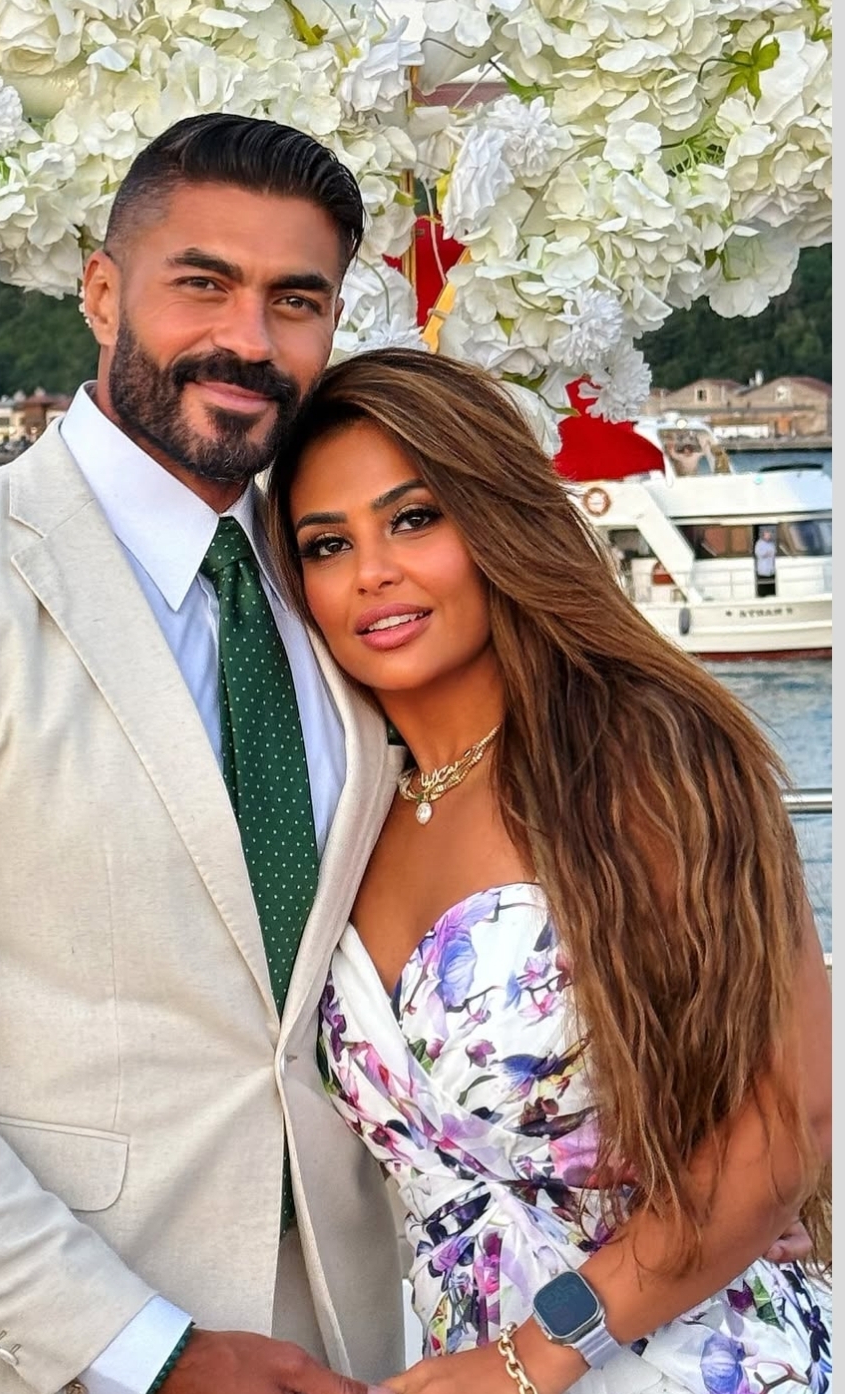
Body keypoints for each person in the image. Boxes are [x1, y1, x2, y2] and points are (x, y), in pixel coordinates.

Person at [0, 115, 406, 1394]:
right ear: (102, 292)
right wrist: (147, 1348)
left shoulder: (340, 586)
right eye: (203, 283)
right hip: (50, 1353)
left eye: (296, 300)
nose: (250, 339)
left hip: (349, 1335)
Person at [266, 348, 833, 1394]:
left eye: (414, 519)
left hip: (695, 1359)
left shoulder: (642, 752)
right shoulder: (347, 808)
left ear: (496, 521)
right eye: (327, 543)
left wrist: (530, 1357)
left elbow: (783, 1121)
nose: (372, 571)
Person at [754, 527, 778, 597]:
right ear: (764, 535)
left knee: (772, 585)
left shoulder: (771, 544)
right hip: (763, 569)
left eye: (769, 535)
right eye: (767, 535)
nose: (769, 536)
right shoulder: (759, 543)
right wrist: (767, 553)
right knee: (763, 585)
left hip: (771, 568)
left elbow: (774, 552)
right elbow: (758, 553)